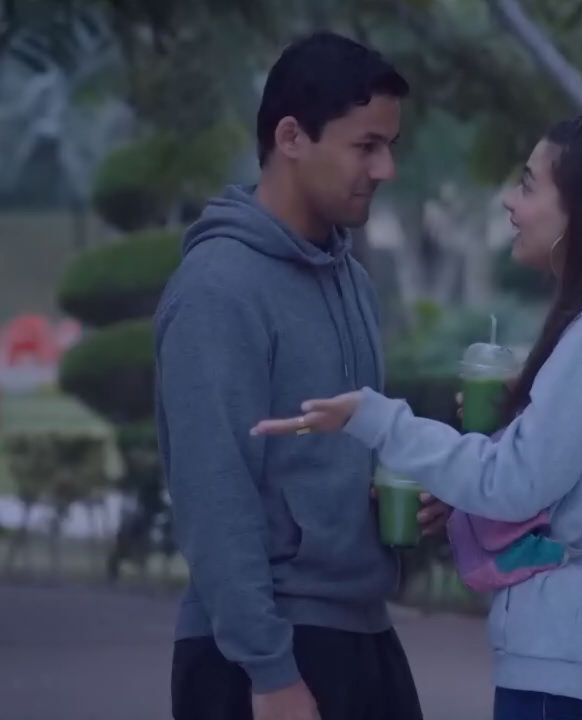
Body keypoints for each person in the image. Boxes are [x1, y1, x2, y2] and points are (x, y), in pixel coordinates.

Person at [251, 115, 582, 720]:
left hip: (576, 666)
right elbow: (578, 481)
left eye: (529, 186)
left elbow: (510, 483)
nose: (511, 202)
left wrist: (379, 420)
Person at [156, 31, 446, 720]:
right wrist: (269, 671)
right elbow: (213, 493)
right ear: (290, 137)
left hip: (362, 631)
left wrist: (402, 494)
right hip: (261, 655)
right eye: (365, 146)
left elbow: (337, 455)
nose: (385, 169)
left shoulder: (351, 278)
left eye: (390, 146)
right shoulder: (218, 288)